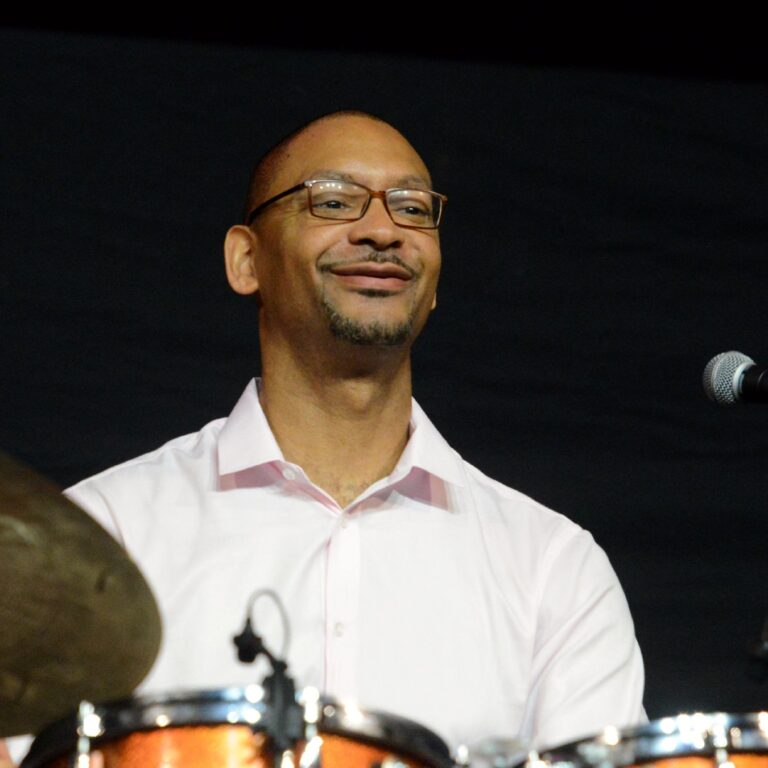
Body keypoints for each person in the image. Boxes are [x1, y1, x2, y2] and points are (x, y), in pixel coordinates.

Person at [6, 111, 644, 765]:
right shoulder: (107, 534)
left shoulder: (551, 570)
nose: (382, 231)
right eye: (334, 201)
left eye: (413, 209)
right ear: (246, 259)